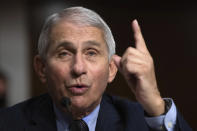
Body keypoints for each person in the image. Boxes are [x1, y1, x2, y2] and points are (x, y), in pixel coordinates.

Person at [0, 6, 192, 131]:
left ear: (111, 69)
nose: (78, 68)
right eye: (64, 53)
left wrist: (156, 105)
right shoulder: (8, 123)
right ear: (41, 68)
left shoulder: (141, 121)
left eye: (91, 53)